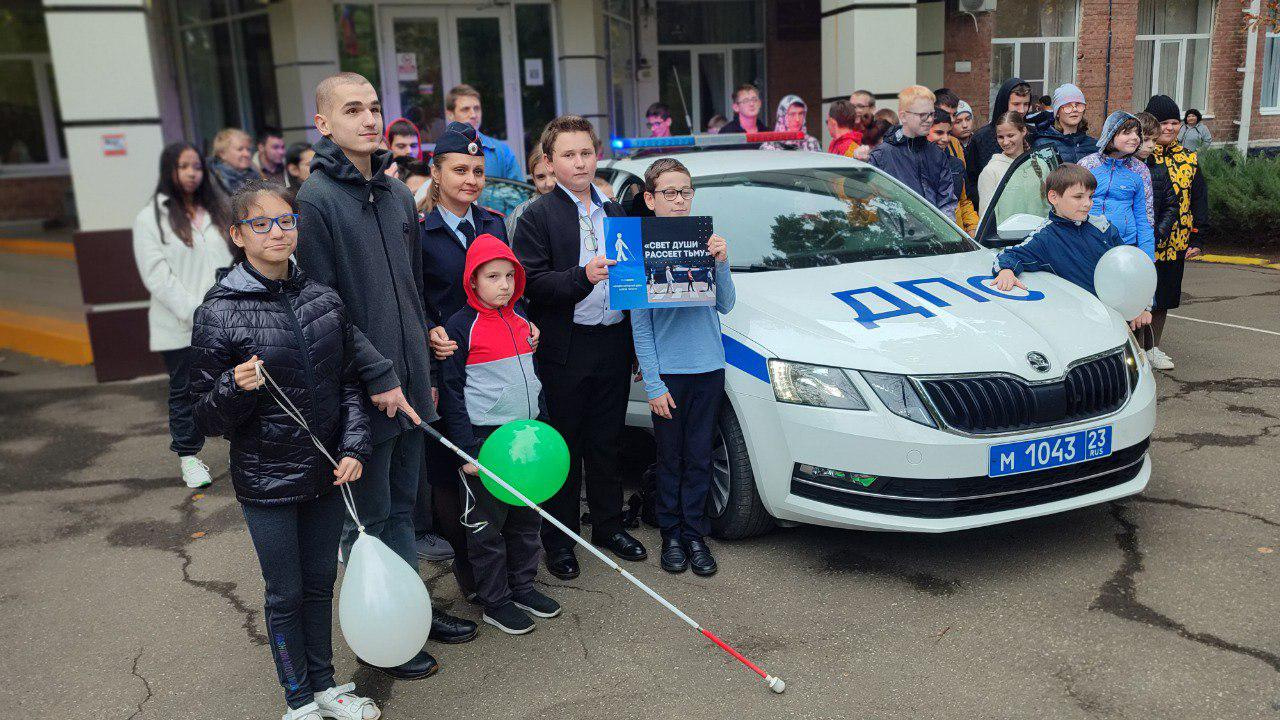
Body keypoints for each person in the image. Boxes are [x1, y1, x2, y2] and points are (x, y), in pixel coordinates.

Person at [296, 71, 473, 681]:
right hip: (359, 391)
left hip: (409, 382)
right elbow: (322, 307)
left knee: (404, 506)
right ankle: (383, 632)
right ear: (324, 124)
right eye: (352, 110)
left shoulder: (400, 197)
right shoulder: (315, 201)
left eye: (374, 108)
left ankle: (413, 611)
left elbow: (414, 292)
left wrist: (423, 362)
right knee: (367, 520)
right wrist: (375, 373)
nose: (369, 120)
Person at [189, 179, 382, 720]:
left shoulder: (323, 298)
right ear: (237, 235)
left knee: (322, 583)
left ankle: (326, 685)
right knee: (286, 592)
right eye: (261, 223)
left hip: (326, 473)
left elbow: (347, 384)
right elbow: (201, 413)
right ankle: (298, 700)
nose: (277, 232)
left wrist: (354, 447)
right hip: (266, 481)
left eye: (286, 221)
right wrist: (234, 385)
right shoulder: (219, 312)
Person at [513, 115, 648, 580]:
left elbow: (633, 283)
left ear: (596, 156)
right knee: (565, 448)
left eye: (586, 153)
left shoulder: (614, 213)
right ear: (550, 162)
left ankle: (608, 527)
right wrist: (582, 277)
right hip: (565, 350)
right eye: (568, 155)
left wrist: (633, 342)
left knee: (608, 443)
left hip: (612, 341)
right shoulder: (538, 215)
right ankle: (561, 539)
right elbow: (530, 284)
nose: (579, 162)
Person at [441, 233, 561, 634]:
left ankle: (523, 585)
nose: (504, 285)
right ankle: (495, 600)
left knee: (527, 520)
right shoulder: (461, 327)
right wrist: (467, 450)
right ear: (472, 281)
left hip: (526, 440)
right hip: (485, 442)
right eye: (492, 276)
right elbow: (453, 393)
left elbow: (533, 380)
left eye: (510, 276)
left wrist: (542, 426)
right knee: (487, 527)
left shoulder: (524, 322)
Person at [629, 158, 736, 577]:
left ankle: (696, 534)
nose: (678, 200)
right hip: (668, 376)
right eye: (669, 193)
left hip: (709, 368)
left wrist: (723, 261)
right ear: (651, 199)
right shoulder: (639, 250)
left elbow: (725, 304)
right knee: (670, 458)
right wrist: (654, 384)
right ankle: (671, 534)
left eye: (685, 192)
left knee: (699, 458)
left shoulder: (706, 240)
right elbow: (640, 327)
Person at [133, 142, 234, 490]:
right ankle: (189, 457)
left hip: (228, 316)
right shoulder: (151, 218)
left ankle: (246, 447)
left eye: (196, 166)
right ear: (169, 171)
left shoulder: (218, 210)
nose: (192, 173)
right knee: (187, 390)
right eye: (183, 167)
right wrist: (199, 313)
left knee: (239, 383)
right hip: (181, 324)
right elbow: (157, 277)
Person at [990, 164, 1151, 331]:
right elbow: (1010, 255)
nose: (1087, 203)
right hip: (1079, 322)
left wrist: (1141, 307)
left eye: (1090, 196)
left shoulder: (1103, 227)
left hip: (1117, 318)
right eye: (1078, 197)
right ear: (1053, 197)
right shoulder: (1045, 238)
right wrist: (1006, 270)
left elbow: (1129, 269)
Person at [1145, 94, 1209, 370]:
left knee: (1164, 298)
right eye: (1163, 123)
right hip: (1144, 242)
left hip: (1176, 241)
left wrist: (1198, 235)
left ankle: (1153, 348)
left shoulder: (1189, 159)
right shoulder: (1142, 155)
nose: (1170, 128)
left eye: (1174, 122)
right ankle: (1133, 350)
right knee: (1139, 297)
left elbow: (1199, 198)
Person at [1078, 111, 1156, 261]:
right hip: (1088, 244)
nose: (1134, 138)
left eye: (1137, 134)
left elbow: (1145, 216)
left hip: (1126, 246)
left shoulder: (1140, 171)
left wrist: (1147, 257)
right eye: (1127, 133)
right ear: (1110, 135)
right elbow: (1072, 206)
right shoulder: (1087, 165)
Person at [867, 86, 957, 215]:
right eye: (922, 115)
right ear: (903, 116)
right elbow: (864, 197)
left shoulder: (937, 154)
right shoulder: (882, 155)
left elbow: (947, 202)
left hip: (932, 232)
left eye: (931, 114)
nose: (930, 119)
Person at [967, 78, 1033, 205]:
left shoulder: (1032, 133)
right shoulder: (981, 138)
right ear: (1004, 103)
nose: (1022, 110)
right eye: (1016, 104)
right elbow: (971, 179)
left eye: (1026, 104)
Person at [445, 84, 521, 180]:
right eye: (465, 109)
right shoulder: (441, 154)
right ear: (450, 115)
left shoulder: (502, 151)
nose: (473, 115)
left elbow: (518, 193)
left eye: (476, 108)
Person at [929, 110, 978, 235]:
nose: (945, 139)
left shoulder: (956, 164)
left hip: (957, 237)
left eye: (948, 133)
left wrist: (973, 229)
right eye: (939, 133)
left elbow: (964, 201)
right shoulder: (911, 164)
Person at [976, 111, 1030, 221]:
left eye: (1011, 135)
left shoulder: (1040, 164)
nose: (1005, 142)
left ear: (1023, 131)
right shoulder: (991, 171)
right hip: (1007, 237)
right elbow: (985, 217)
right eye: (1000, 137)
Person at [1031, 84, 1096, 163]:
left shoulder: (1094, 145)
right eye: (1068, 106)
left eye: (1078, 105)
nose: (1075, 109)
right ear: (1057, 112)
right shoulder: (1042, 145)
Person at [505, 147, 555, 236]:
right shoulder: (521, 214)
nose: (549, 183)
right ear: (534, 179)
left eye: (554, 173)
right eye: (541, 177)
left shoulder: (583, 208)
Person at [207, 128, 257, 197]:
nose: (247, 154)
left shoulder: (255, 174)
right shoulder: (212, 181)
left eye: (248, 149)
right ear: (222, 154)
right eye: (240, 149)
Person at [385, 117, 423, 182]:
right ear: (389, 148)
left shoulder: (428, 175)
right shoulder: (381, 178)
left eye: (413, 146)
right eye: (401, 146)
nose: (409, 151)